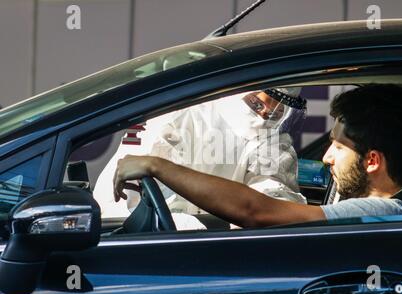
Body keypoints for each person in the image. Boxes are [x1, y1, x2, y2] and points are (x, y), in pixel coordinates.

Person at [112, 84, 402, 228]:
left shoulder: (381, 212)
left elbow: (256, 212)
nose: (326, 157)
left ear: (372, 160)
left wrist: (157, 166)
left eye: (338, 147)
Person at [95, 87, 308, 229]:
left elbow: (275, 199)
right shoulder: (176, 115)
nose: (264, 117)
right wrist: (188, 226)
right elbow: (123, 206)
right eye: (259, 104)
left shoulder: (272, 140)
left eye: (276, 112)